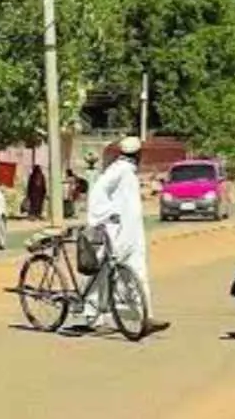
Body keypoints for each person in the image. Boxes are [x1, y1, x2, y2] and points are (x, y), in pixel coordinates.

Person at [76, 136, 167, 334]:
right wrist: (105, 217)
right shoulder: (118, 171)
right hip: (115, 234)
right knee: (101, 275)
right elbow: (97, 193)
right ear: (138, 154)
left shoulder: (128, 172)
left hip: (131, 234)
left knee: (137, 275)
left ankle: (144, 316)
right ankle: (91, 316)